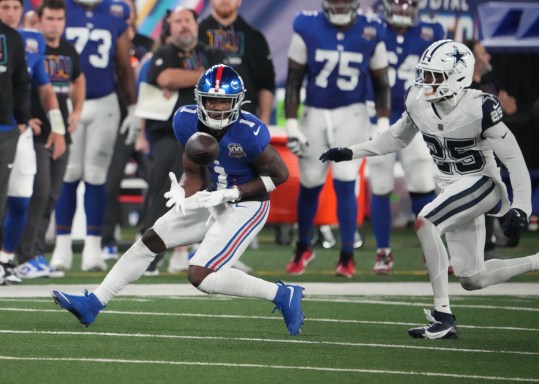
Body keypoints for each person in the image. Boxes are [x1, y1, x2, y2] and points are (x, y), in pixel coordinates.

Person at [51, 64, 306, 337]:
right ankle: (94, 302)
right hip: (212, 196)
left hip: (249, 204)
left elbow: (280, 175)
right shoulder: (186, 120)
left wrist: (233, 193)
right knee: (150, 240)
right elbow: (193, 171)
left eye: (224, 101)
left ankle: (281, 293)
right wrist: (185, 191)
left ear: (237, 102)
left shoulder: (248, 131)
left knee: (200, 275)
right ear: (200, 99)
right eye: (211, 100)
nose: (217, 107)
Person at [320, 39, 539, 339]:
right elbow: (396, 138)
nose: (426, 81)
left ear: (458, 75)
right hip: (452, 187)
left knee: (426, 220)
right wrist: (352, 152)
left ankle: (442, 316)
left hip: (482, 183)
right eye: (425, 74)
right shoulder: (417, 101)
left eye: (435, 75)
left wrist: (522, 206)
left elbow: (514, 159)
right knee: (472, 278)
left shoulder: (480, 107)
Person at [284, 0, 391, 278]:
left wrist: (381, 121)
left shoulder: (372, 29)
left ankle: (347, 255)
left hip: (352, 113)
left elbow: (381, 82)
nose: (340, 5)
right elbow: (294, 79)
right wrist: (292, 123)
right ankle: (303, 246)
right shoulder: (306, 26)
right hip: (315, 113)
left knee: (346, 181)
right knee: (309, 183)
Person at [50, 0, 137, 272]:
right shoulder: (60, 8)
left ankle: (93, 246)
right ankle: (62, 247)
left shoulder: (116, 11)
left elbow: (123, 66)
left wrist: (133, 105)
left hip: (104, 102)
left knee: (97, 175)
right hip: (66, 100)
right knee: (70, 172)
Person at [139, 7, 225, 276]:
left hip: (210, 135)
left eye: (188, 20)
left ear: (196, 24)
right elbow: (166, 78)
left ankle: (195, 253)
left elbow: (220, 83)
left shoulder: (212, 53)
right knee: (163, 194)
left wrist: (184, 79)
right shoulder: (162, 54)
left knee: (209, 194)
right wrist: (202, 76)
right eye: (178, 21)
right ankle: (149, 257)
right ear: (169, 27)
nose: (183, 25)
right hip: (168, 135)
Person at [367, 0, 444, 274]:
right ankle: (383, 250)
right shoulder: (371, 29)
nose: (401, 10)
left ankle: (431, 247)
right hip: (379, 115)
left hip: (418, 115)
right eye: (396, 5)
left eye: (407, 5)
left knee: (423, 181)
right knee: (381, 183)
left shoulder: (432, 31)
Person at [16, 0, 85, 278]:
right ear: (39, 19)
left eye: (59, 18)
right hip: (35, 131)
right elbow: (17, 86)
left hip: (60, 131)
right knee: (38, 193)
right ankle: (23, 255)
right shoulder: (29, 48)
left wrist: (78, 110)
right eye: (50, 18)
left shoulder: (69, 50)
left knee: (52, 195)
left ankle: (35, 253)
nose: (55, 24)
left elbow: (78, 80)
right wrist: (23, 118)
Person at [0, 0, 66, 282]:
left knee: (23, 198)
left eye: (15, 7)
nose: (11, 13)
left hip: (20, 130)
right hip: (12, 126)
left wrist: (59, 128)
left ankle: (6, 260)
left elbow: (44, 88)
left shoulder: (30, 41)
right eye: (5, 7)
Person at [100, 0, 152, 261]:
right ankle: (107, 240)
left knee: (156, 181)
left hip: (147, 121)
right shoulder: (107, 37)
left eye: (128, 6)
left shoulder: (148, 44)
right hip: (118, 118)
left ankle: (147, 234)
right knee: (111, 181)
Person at [464, 38, 518, 260]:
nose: (488, 57)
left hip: (493, 145)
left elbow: (510, 107)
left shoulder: (490, 81)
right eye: (483, 53)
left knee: (494, 192)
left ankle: (488, 243)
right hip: (470, 148)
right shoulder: (464, 84)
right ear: (473, 58)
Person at [198, 0, 276, 125]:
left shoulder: (255, 37)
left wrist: (264, 120)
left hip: (243, 121)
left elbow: (266, 82)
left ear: (239, 1)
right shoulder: (196, 35)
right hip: (201, 120)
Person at [0, 17, 31, 285]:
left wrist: (21, 118)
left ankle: (3, 259)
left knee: (3, 197)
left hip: (4, 126)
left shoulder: (12, 36)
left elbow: (22, 81)